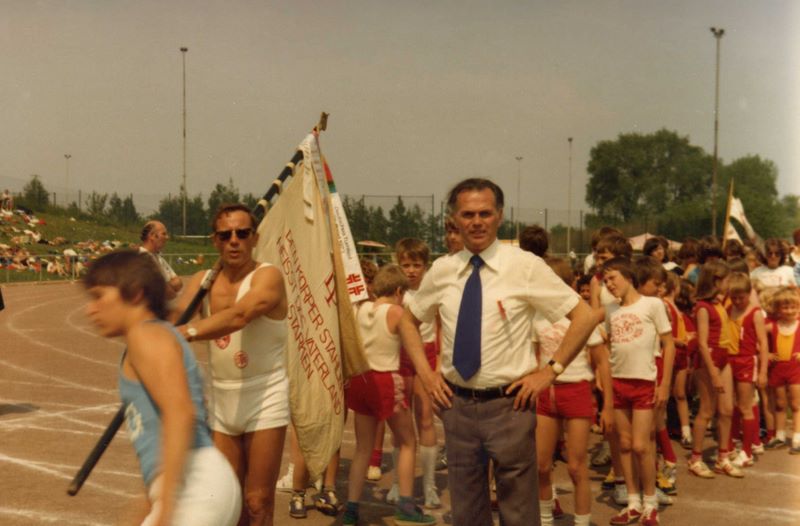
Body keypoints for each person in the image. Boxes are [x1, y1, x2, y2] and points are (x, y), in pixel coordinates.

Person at [401, 178, 598, 526]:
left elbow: (583, 316)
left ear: (499, 216)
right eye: (468, 214)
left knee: (519, 513)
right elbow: (407, 321)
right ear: (455, 219)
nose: (477, 221)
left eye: (485, 213)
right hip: (457, 407)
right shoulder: (444, 269)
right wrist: (427, 374)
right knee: (467, 513)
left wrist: (549, 371)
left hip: (510, 406)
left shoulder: (524, 266)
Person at [83, 251, 241, 526]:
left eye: (98, 297)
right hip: (193, 483)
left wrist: (167, 505)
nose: (90, 309)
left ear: (134, 294)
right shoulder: (151, 335)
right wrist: (152, 505)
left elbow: (179, 414)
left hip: (195, 487)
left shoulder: (145, 335)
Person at [176, 204, 289, 526]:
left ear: (255, 238)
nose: (234, 241)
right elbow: (174, 319)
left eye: (242, 233)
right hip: (223, 399)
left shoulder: (268, 276)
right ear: (215, 241)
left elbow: (240, 316)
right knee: (228, 501)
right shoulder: (203, 280)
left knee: (258, 501)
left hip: (264, 394)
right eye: (225, 235)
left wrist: (190, 331)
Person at [343, 264, 435, 525]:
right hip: (385, 379)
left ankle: (351, 508)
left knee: (362, 448)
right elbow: (414, 343)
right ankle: (406, 506)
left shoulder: (360, 309)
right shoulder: (396, 311)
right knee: (407, 441)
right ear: (398, 290)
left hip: (361, 380)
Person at [532, 257, 613, 526]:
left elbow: (602, 361)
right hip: (546, 394)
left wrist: (608, 405)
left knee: (577, 467)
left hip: (576, 391)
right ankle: (545, 520)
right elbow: (534, 359)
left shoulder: (582, 316)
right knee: (542, 465)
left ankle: (581, 521)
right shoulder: (537, 315)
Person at [602, 257, 675, 526]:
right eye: (606, 280)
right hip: (618, 383)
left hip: (645, 382)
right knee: (623, 444)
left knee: (642, 446)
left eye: (613, 278)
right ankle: (633, 502)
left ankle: (650, 501)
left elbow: (669, 344)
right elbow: (610, 348)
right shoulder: (610, 310)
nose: (609, 284)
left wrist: (665, 383)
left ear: (629, 277)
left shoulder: (652, 304)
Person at [387, 238, 441, 509]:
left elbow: (442, 326)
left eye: (416, 265)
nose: (410, 270)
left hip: (427, 355)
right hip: (400, 356)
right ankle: (399, 481)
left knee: (426, 419)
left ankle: (430, 485)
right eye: (405, 265)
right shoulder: (397, 292)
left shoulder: (433, 288)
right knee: (401, 423)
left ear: (425, 265)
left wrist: (440, 364)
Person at [688, 261, 744, 479]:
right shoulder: (703, 307)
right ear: (716, 281)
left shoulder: (720, 304)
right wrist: (712, 373)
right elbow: (701, 343)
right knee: (706, 410)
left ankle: (723, 457)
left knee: (727, 409)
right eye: (727, 280)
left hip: (723, 357)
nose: (729, 284)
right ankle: (696, 458)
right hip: (708, 360)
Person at [726, 272, 769, 467]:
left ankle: (748, 451)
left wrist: (762, 372)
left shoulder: (755, 313)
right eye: (733, 297)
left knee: (746, 406)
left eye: (741, 297)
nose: (737, 301)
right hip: (731, 360)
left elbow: (763, 342)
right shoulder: (729, 309)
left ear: (748, 293)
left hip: (747, 361)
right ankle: (734, 444)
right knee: (732, 404)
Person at [765, 287, 800, 453]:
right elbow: (757, 339)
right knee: (779, 404)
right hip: (778, 369)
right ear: (778, 309)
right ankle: (779, 436)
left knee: (796, 405)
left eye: (793, 307)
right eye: (785, 307)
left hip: (796, 370)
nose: (790, 311)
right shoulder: (772, 325)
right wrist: (767, 353)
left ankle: (797, 438)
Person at [139, 220, 182, 300]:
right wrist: (168, 288)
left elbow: (179, 282)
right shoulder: (141, 258)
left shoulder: (158, 257)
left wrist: (164, 287)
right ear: (152, 236)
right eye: (164, 234)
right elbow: (169, 293)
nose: (167, 237)